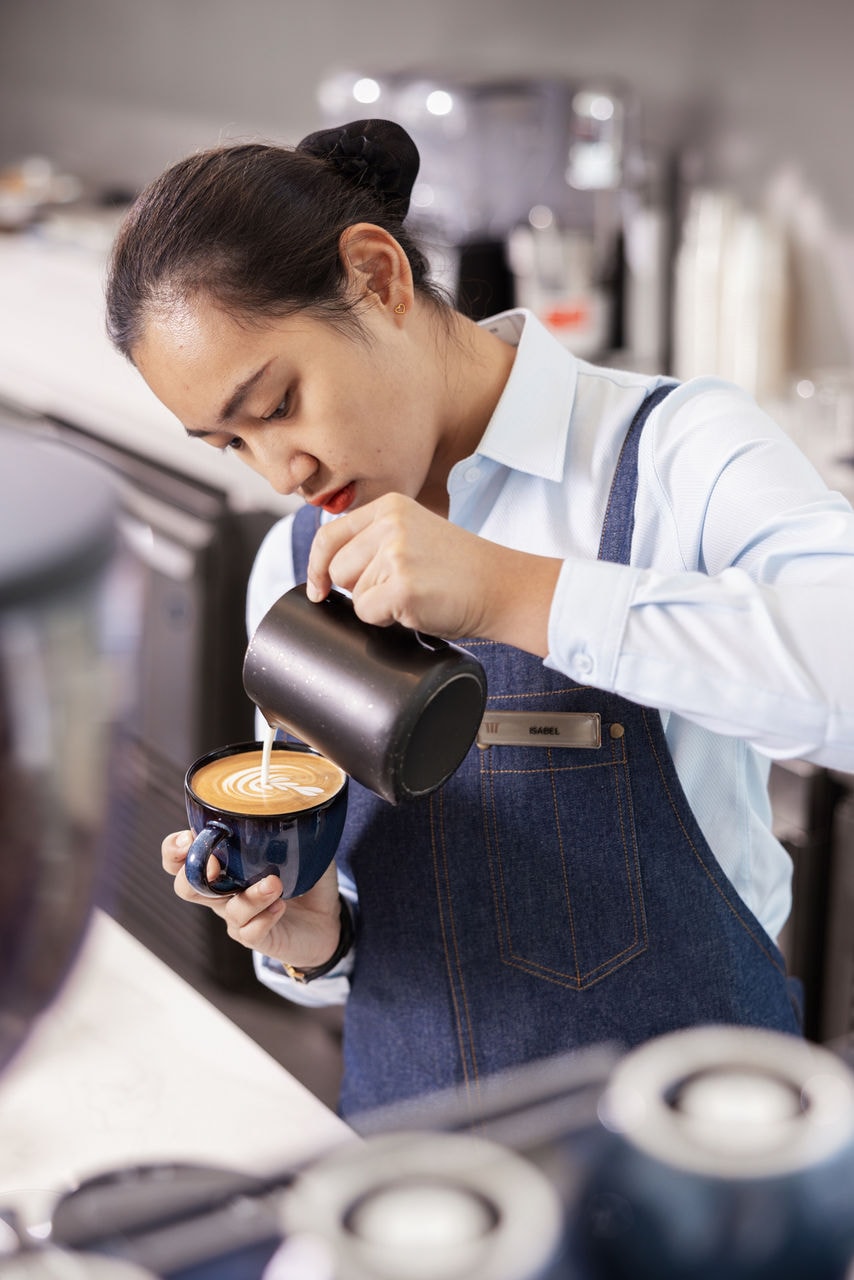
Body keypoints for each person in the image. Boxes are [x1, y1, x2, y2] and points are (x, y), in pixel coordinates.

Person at [106, 118, 854, 1121]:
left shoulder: (678, 451)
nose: (281, 471)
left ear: (377, 278)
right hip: (419, 1162)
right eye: (227, 443)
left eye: (278, 403)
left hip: (700, 1155)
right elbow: (361, 922)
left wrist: (515, 591)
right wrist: (312, 937)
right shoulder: (295, 563)